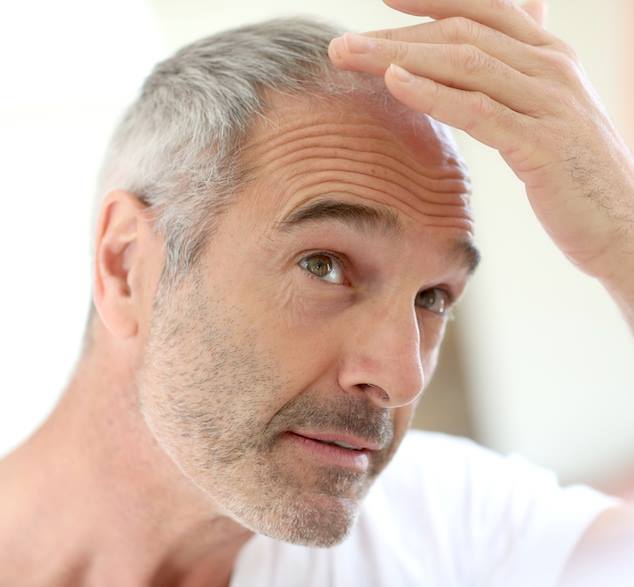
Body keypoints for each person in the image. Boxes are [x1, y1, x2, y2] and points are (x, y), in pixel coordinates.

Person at [1, 1, 632, 585]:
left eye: (433, 297)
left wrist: (620, 235)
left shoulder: (453, 524)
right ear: (126, 265)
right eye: (325, 264)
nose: (403, 377)